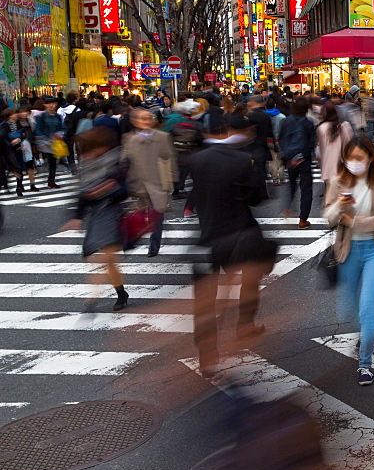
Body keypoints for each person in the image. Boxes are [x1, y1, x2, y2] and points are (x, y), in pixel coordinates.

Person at [188, 114, 277, 374]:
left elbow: (195, 195)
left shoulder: (195, 160)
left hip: (209, 236)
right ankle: (245, 324)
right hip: (241, 232)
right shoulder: (242, 159)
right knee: (250, 279)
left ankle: (207, 355)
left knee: (207, 298)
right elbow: (257, 198)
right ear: (227, 131)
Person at [323, 135, 374, 386]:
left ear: (370, 158)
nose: (353, 162)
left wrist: (353, 221)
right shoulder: (338, 182)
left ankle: (364, 363)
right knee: (350, 307)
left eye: (359, 158)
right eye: (349, 158)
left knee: (367, 306)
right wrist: (340, 207)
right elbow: (329, 218)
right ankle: (366, 332)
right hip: (347, 250)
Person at [61, 127, 128, 311]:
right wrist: (76, 217)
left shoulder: (115, 160)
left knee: (106, 257)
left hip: (112, 212)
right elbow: (82, 193)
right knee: (107, 260)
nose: (89, 154)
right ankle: (120, 292)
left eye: (92, 148)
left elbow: (126, 187)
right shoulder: (87, 164)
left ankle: (92, 300)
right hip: (96, 215)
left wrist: (107, 189)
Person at [120, 108, 177, 257]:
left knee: (157, 217)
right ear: (134, 121)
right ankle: (133, 240)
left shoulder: (162, 137)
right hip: (137, 185)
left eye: (148, 118)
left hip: (158, 183)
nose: (146, 121)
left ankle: (154, 246)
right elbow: (123, 162)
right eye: (142, 119)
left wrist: (172, 181)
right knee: (138, 217)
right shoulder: (129, 139)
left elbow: (169, 158)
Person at [280, 96, 317, 229]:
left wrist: (288, 157)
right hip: (303, 160)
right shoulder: (308, 123)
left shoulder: (286, 121)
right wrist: (303, 156)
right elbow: (311, 143)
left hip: (290, 159)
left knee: (291, 185)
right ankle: (303, 219)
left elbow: (281, 139)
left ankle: (288, 207)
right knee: (306, 190)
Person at [0, 108, 38, 195]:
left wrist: (19, 140)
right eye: (14, 113)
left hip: (18, 148)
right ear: (9, 115)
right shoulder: (3, 125)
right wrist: (11, 143)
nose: (16, 115)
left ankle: (19, 187)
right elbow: (3, 137)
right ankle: (6, 186)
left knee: (19, 168)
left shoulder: (18, 124)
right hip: (7, 150)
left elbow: (23, 134)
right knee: (7, 169)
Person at [317, 100, 354, 187]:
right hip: (342, 167)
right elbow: (349, 146)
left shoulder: (321, 128)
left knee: (331, 196)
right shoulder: (344, 126)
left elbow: (320, 151)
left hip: (327, 169)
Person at [34, 96, 65, 188]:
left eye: (53, 103)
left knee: (53, 162)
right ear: (45, 105)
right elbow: (38, 130)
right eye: (49, 104)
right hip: (44, 142)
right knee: (51, 161)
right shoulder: (40, 117)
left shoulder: (58, 116)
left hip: (54, 142)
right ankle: (49, 181)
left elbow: (62, 127)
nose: (51, 106)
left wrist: (59, 134)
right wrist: (44, 140)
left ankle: (51, 181)